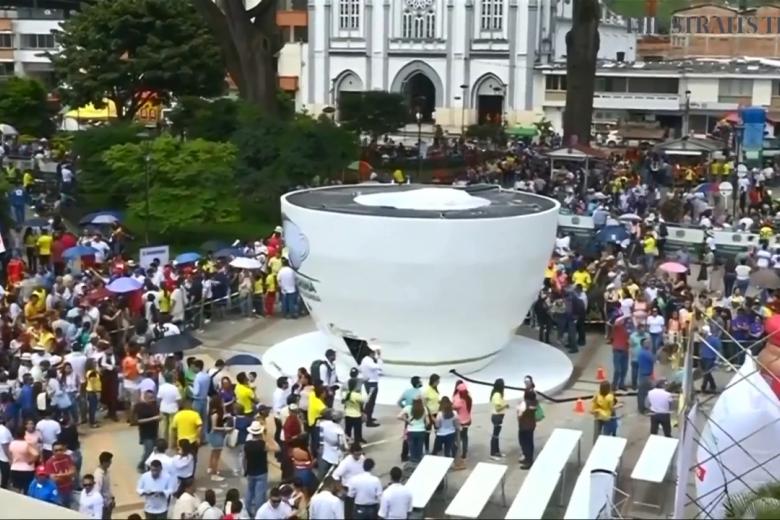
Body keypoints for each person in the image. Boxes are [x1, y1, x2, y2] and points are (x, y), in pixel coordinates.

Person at [244, 420, 270, 517]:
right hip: (261, 471)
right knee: (260, 494)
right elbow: (276, 448)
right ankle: (259, 513)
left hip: (250, 471)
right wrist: (266, 437)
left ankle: (247, 510)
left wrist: (245, 469)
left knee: (249, 491)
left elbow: (244, 458)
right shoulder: (263, 444)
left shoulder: (247, 445)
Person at [134, 389, 160, 472]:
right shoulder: (139, 407)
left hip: (154, 431)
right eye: (150, 398)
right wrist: (153, 418)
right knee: (148, 451)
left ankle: (150, 467)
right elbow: (138, 421)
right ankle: (141, 465)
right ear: (145, 397)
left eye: (153, 397)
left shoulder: (155, 406)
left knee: (154, 450)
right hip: (145, 433)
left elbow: (158, 416)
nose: (152, 399)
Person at [44, 440, 75, 508]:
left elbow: (73, 471)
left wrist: (60, 475)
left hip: (69, 488)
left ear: (64, 450)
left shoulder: (67, 457)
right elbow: (54, 479)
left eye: (60, 450)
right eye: (56, 450)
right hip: (58, 491)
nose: (58, 452)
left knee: (69, 508)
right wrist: (68, 475)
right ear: (53, 451)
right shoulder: (49, 462)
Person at [397, 397, 428, 463]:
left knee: (411, 447)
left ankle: (413, 460)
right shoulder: (424, 409)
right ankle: (418, 459)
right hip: (421, 431)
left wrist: (407, 420)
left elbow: (398, 416)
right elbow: (428, 422)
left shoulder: (408, 408)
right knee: (419, 447)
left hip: (411, 430)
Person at [359, 347, 383, 428]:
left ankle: (369, 417)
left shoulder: (366, 360)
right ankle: (367, 420)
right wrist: (379, 357)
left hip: (371, 382)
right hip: (371, 383)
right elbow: (378, 366)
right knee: (370, 402)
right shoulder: (368, 361)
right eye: (374, 354)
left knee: (371, 402)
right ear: (370, 354)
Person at [489, 378, 509, 460]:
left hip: (499, 417)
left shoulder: (497, 394)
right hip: (497, 416)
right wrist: (505, 406)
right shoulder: (497, 395)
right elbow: (497, 408)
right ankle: (493, 453)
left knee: (496, 436)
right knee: (495, 436)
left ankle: (497, 452)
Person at [342, 378, 366, 444]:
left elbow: (343, 401)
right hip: (356, 415)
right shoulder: (356, 395)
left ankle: (346, 444)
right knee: (357, 432)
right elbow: (365, 400)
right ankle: (356, 445)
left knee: (347, 430)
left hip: (347, 414)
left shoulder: (346, 394)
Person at [700, 326, 722, 394]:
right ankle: (713, 385)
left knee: (706, 373)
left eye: (703, 331)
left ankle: (703, 387)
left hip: (710, 358)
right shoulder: (703, 339)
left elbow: (719, 350)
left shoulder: (714, 339)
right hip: (703, 357)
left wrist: (717, 360)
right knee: (707, 373)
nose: (702, 332)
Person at [94, 451, 115, 519]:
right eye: (109, 461)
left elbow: (108, 488)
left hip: (108, 503)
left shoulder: (106, 472)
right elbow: (97, 492)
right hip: (104, 506)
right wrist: (105, 504)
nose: (110, 463)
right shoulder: (98, 475)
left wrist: (112, 499)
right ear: (104, 462)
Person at [636, 340, 656, 415]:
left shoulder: (640, 352)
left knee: (641, 392)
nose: (650, 344)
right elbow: (653, 360)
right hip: (646, 375)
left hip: (642, 374)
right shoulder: (647, 353)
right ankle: (644, 408)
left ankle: (641, 408)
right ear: (644, 344)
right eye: (648, 343)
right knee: (645, 393)